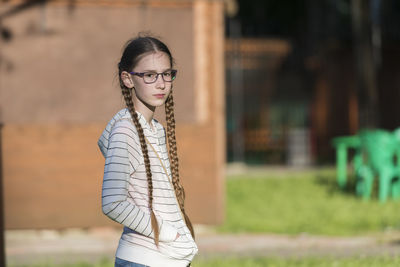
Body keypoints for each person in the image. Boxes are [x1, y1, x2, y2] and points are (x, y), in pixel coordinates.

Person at [98, 35, 198, 267]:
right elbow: (112, 203)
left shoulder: (155, 130)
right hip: (145, 259)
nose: (161, 83)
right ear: (128, 79)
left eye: (166, 74)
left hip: (166, 258)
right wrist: (166, 233)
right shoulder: (126, 131)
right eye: (150, 75)